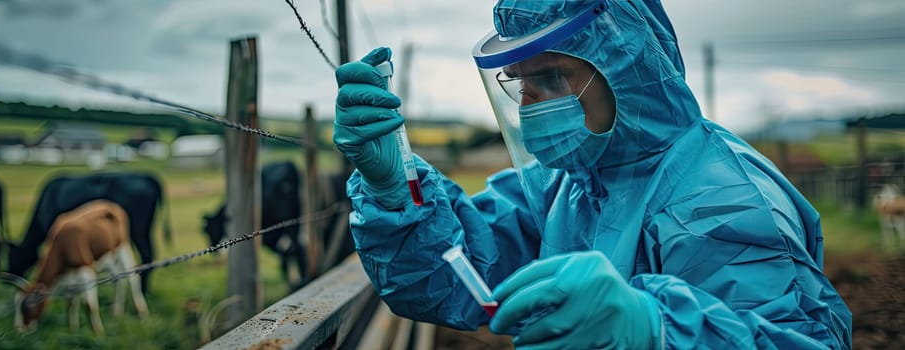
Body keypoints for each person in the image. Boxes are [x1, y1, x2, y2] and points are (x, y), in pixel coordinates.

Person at [333, 0, 851, 349]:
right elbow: (462, 274)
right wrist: (397, 189)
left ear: (627, 65)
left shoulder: (720, 200)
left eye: (552, 76)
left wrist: (656, 331)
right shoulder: (575, 180)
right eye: (518, 82)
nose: (529, 101)